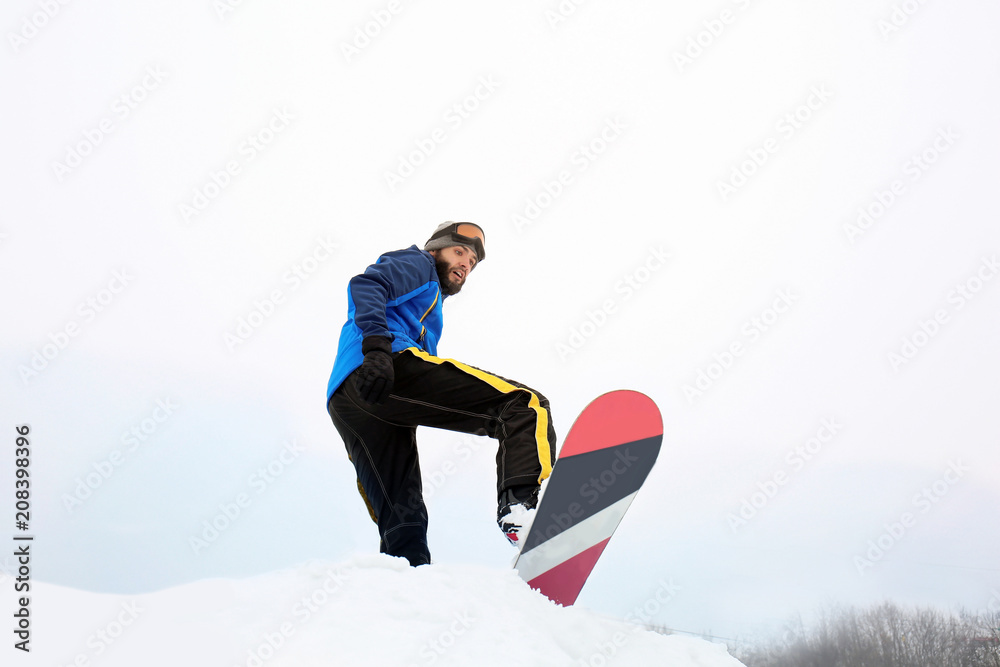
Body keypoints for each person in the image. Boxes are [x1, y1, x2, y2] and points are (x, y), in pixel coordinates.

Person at [325, 221, 557, 566]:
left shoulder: (430, 306)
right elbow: (368, 284)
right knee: (524, 405)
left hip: (350, 399)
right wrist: (376, 347)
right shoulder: (417, 264)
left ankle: (406, 583)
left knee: (403, 517)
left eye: (473, 262)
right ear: (435, 250)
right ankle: (521, 511)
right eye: (459, 251)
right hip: (381, 365)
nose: (465, 263)